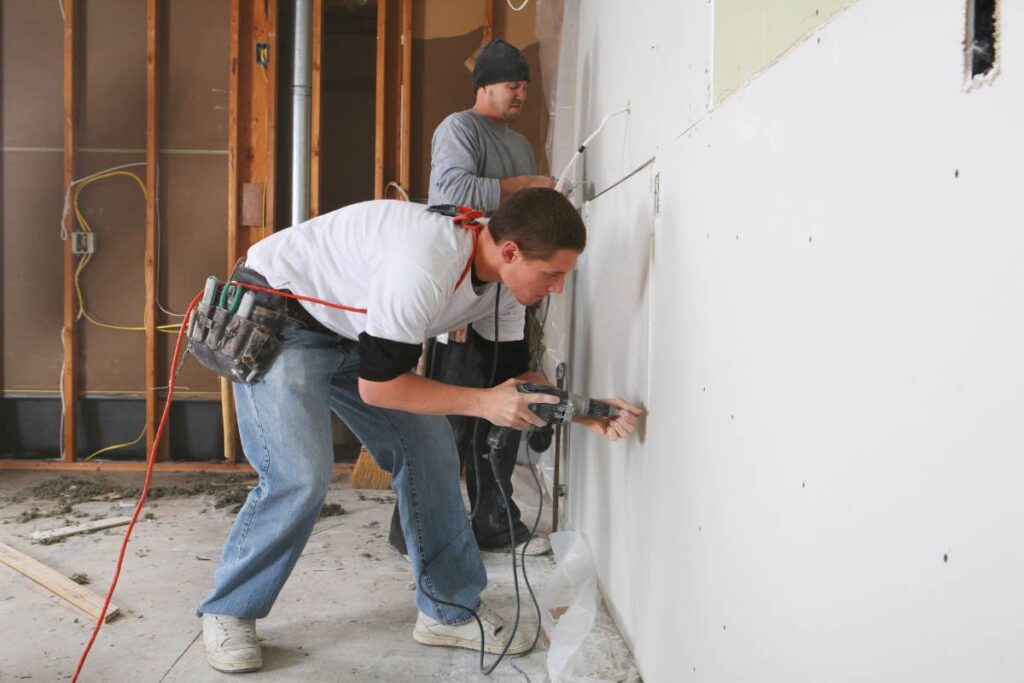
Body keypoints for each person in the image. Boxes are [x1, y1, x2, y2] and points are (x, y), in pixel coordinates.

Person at [197, 188, 644, 673]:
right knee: (299, 475)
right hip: (282, 314)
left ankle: (447, 612)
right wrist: (484, 404)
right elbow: (381, 388)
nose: (557, 287)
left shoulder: (506, 290)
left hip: (355, 329)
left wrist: (583, 410)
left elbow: (514, 383)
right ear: (511, 251)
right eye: (552, 273)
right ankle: (229, 609)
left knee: (431, 453)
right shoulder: (424, 265)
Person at [388, 39, 557, 560]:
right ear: (484, 85)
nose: (520, 94)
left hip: (510, 294)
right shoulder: (459, 129)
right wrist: (523, 186)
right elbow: (448, 192)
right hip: (465, 290)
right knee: (451, 419)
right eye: (513, 85)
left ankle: (492, 517)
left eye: (525, 86)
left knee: (503, 406)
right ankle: (414, 526)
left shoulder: (521, 143)